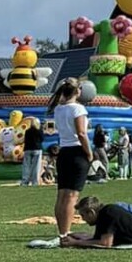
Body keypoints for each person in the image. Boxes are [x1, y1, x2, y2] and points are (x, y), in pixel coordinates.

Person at [49, 80, 93, 241]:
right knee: (72, 195)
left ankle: (62, 231)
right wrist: (89, 153)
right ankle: (66, 233)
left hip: (64, 151)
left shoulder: (59, 109)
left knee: (61, 195)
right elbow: (81, 133)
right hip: (77, 151)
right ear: (78, 91)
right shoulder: (78, 108)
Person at [20, 114, 44, 186]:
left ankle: (25, 181)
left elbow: (25, 140)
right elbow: (42, 139)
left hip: (27, 149)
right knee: (36, 166)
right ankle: (35, 181)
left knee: (26, 165)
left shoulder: (27, 131)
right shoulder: (39, 131)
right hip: (37, 148)